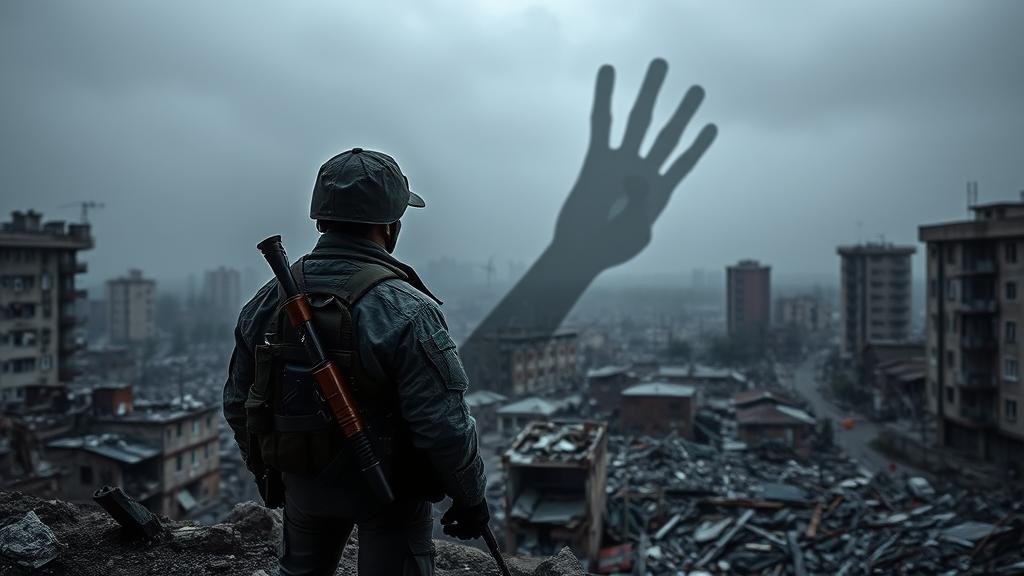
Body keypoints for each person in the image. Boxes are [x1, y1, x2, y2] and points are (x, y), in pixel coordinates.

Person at [223, 147, 489, 576]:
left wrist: (270, 473)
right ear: (390, 225)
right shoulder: (407, 308)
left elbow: (239, 402)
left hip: (304, 482)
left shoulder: (268, 300)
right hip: (389, 493)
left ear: (321, 219)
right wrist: (470, 497)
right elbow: (444, 425)